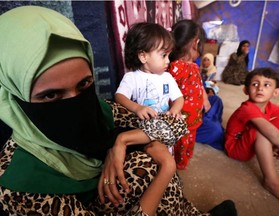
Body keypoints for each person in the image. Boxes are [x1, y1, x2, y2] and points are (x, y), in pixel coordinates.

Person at [0, 6, 238, 216]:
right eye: (51, 95)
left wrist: (123, 140)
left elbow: (177, 123)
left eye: (84, 84)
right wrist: (167, 168)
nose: (76, 103)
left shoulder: (102, 111)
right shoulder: (19, 184)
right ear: (15, 93)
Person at [115, 22, 184, 157]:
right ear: (143, 56)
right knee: (155, 161)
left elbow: (179, 98)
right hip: (143, 132)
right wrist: (137, 108)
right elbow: (119, 96)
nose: (168, 61)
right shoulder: (132, 77)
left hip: (165, 129)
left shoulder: (167, 77)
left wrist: (175, 109)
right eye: (163, 55)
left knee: (168, 159)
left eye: (169, 56)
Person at [225, 67, 279, 205]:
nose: (260, 88)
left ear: (276, 92)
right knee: (264, 131)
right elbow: (271, 132)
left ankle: (267, 145)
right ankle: (271, 181)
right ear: (246, 90)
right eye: (255, 84)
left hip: (249, 142)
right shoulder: (247, 108)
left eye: (267, 85)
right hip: (236, 149)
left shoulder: (270, 106)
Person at [169, 19, 211, 169]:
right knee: (179, 141)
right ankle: (176, 164)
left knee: (189, 140)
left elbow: (199, 84)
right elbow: (168, 91)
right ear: (196, 43)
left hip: (193, 116)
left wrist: (205, 97)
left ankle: (182, 161)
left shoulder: (193, 66)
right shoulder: (175, 67)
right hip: (181, 118)